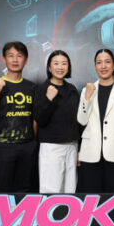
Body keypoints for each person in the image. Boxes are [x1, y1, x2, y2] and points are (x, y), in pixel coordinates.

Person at [0, 41, 36, 193]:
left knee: (24, 191)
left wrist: (32, 143)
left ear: (26, 60)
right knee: (2, 190)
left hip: (27, 148)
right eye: (11, 56)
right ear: (5, 59)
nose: (15, 60)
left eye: (19, 56)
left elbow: (35, 119)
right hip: (3, 147)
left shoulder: (32, 87)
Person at [77, 49, 114, 193]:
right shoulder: (87, 90)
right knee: (91, 196)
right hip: (90, 153)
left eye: (107, 62)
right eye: (99, 62)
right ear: (95, 66)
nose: (103, 66)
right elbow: (82, 120)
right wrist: (87, 98)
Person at [34, 50, 80, 193]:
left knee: (70, 190)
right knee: (51, 191)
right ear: (49, 67)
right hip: (51, 147)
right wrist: (49, 99)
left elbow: (77, 120)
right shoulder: (42, 89)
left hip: (72, 146)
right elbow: (40, 119)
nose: (60, 67)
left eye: (64, 63)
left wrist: (79, 148)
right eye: (56, 63)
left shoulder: (72, 89)